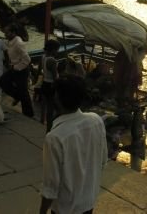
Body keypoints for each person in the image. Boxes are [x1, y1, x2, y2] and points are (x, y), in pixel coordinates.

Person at [40, 75, 108, 214]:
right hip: (88, 201)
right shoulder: (96, 121)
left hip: (65, 208)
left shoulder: (55, 137)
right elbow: (102, 161)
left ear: (57, 99)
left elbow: (50, 187)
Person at [0, 23, 34, 117]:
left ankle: (29, 114)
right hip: (14, 67)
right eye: (5, 33)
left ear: (13, 32)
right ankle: (17, 96)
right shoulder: (10, 41)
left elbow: (27, 60)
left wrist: (16, 68)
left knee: (24, 92)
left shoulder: (18, 43)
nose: (5, 35)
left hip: (21, 69)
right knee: (1, 81)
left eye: (7, 33)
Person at [39, 39, 60, 132]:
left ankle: (41, 120)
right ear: (53, 49)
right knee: (52, 110)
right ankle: (49, 129)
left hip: (44, 83)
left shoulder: (43, 57)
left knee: (44, 105)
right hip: (51, 85)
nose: (57, 52)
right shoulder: (52, 60)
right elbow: (55, 77)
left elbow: (41, 70)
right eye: (57, 50)